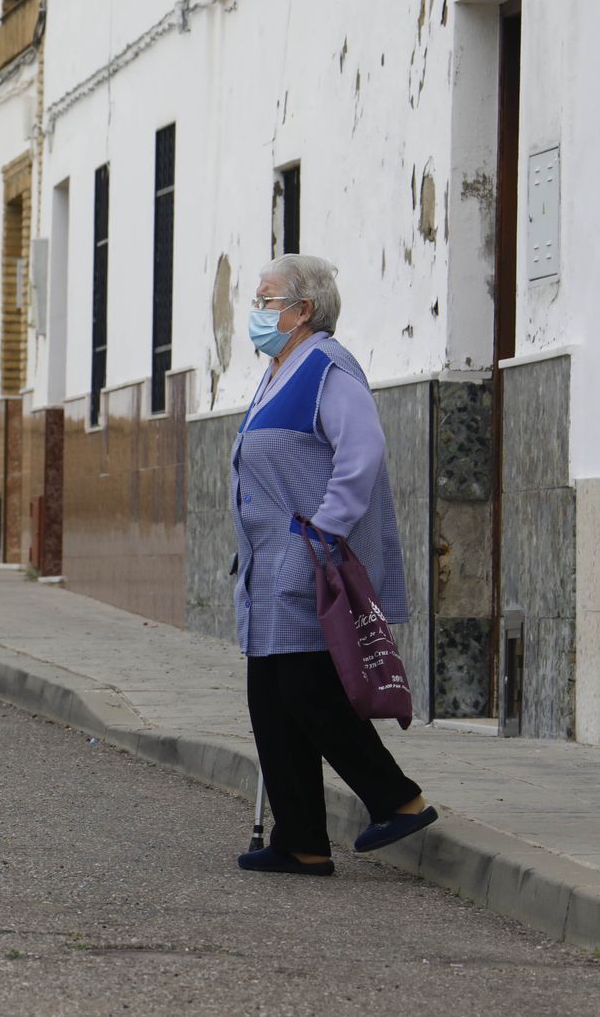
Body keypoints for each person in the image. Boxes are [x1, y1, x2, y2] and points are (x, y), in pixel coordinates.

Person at [232, 254, 437, 876]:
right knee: (269, 697)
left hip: (305, 558)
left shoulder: (326, 366)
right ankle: (301, 838)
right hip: (266, 564)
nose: (257, 311)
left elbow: (363, 451)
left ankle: (397, 799)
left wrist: (328, 525)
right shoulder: (279, 369)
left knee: (308, 691)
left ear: (304, 311)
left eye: (268, 300)